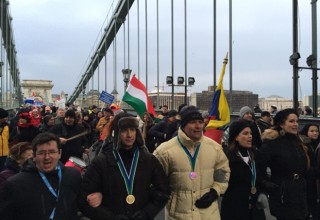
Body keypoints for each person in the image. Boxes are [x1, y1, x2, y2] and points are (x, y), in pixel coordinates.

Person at [79, 112, 170, 220]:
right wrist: (110, 217)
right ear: (117, 132)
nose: (129, 135)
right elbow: (84, 198)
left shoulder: (148, 159)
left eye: (132, 130)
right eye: (124, 130)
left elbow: (163, 190)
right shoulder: (102, 160)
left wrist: (147, 213)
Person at [153, 105, 230, 220]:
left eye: (200, 122)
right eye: (193, 122)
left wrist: (215, 191)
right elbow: (155, 181)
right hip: (179, 215)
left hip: (208, 214)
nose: (198, 126)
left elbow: (223, 173)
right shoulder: (164, 151)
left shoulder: (214, 148)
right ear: (183, 125)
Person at [0, 132, 82, 220]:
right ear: (34, 155)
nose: (47, 157)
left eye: (52, 152)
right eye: (41, 153)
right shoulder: (15, 184)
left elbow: (81, 205)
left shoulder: (72, 175)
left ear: (59, 153)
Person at [256, 108, 311, 220]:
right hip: (283, 193)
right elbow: (258, 163)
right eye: (291, 121)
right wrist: (265, 182)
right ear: (281, 124)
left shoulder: (298, 142)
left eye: (296, 121)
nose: (295, 124)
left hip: (299, 192)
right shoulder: (273, 142)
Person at [221, 120, 265, 220]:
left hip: (254, 207)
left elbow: (260, 176)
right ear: (236, 137)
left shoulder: (255, 153)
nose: (250, 136)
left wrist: (264, 184)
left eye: (250, 133)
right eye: (245, 133)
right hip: (234, 208)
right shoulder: (226, 156)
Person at [300, 123, 320, 220]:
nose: (315, 133)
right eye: (312, 131)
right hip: (308, 181)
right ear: (306, 132)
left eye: (316, 131)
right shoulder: (304, 145)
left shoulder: (316, 144)